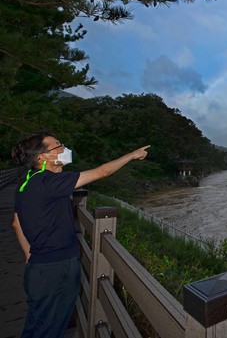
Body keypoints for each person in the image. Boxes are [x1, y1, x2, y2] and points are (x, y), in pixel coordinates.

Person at [11, 132, 149, 338]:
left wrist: (29, 254)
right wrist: (131, 155)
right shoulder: (50, 183)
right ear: (42, 157)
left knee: (37, 325)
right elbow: (102, 172)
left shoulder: (27, 182)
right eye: (57, 146)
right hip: (57, 269)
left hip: (39, 268)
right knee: (49, 330)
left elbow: (16, 223)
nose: (64, 149)